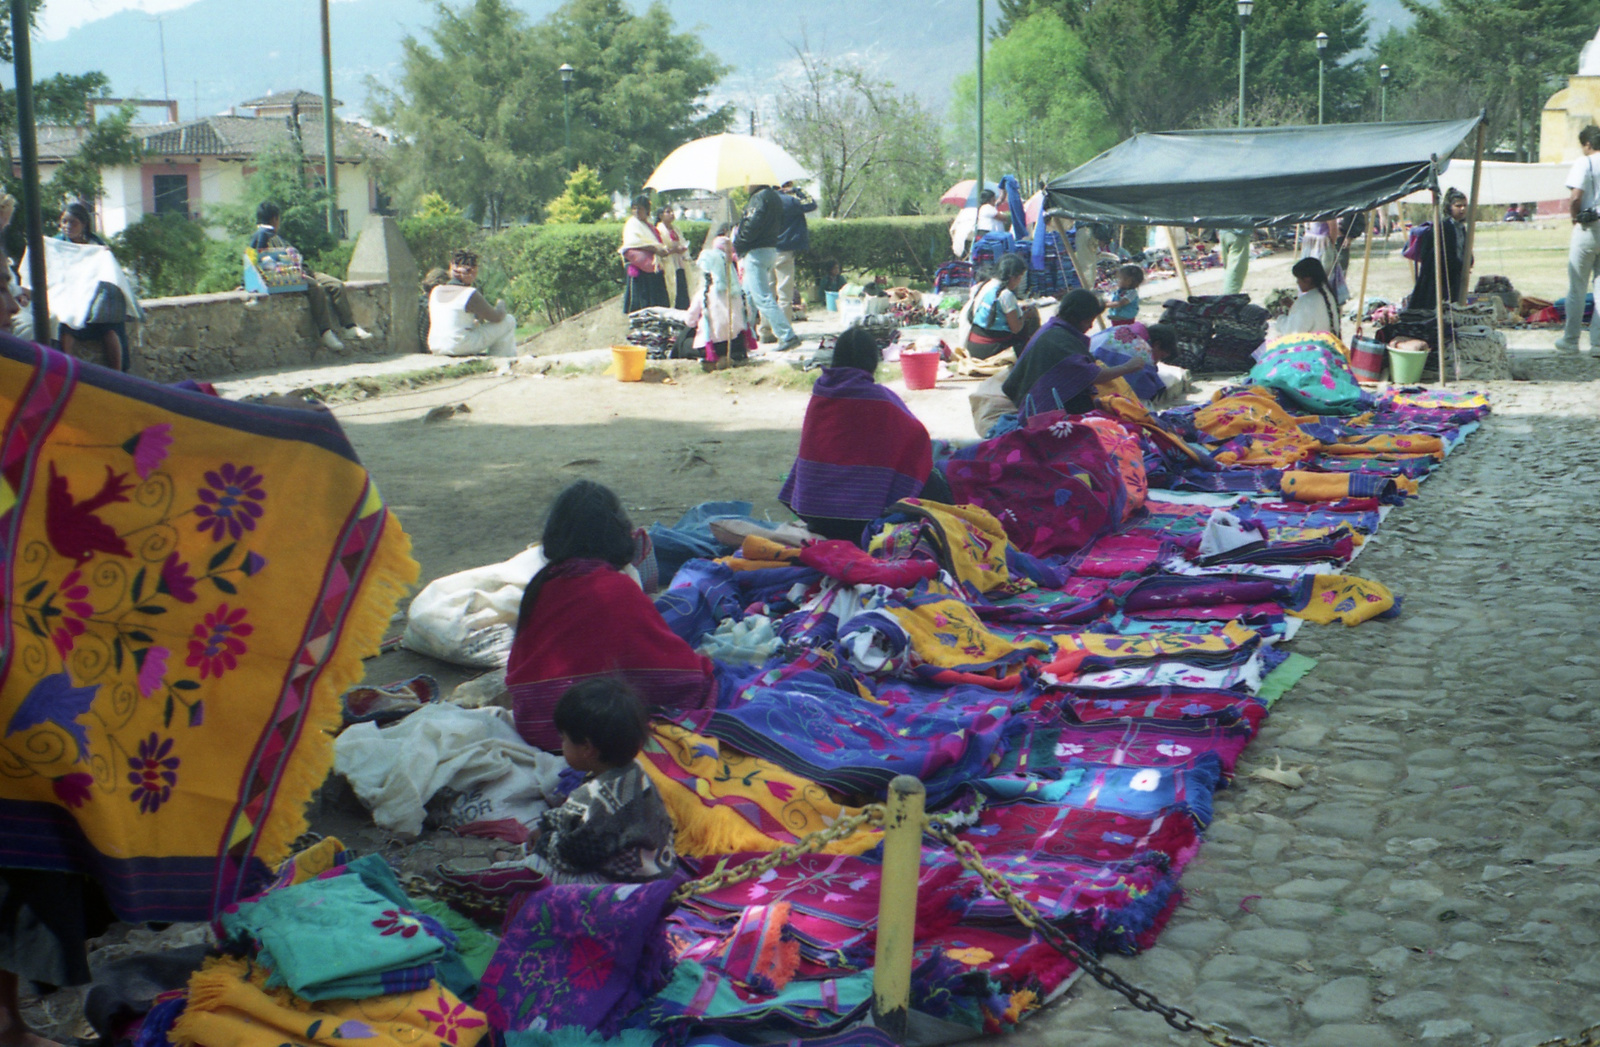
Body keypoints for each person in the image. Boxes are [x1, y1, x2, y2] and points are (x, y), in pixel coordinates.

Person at [506, 480, 715, 752]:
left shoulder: (542, 585)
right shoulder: (616, 589)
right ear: (616, 535)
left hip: (534, 725)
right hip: (587, 735)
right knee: (714, 678)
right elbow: (679, 675)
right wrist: (704, 668)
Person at [779, 327, 951, 543]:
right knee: (932, 470)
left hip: (815, 514)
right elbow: (918, 439)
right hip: (862, 521)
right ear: (873, 361)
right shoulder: (881, 399)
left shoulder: (821, 393)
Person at [524, 679, 679, 885]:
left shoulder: (604, 799)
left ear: (587, 748)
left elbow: (573, 856)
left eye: (564, 738)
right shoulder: (634, 772)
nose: (562, 744)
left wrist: (543, 843)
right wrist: (546, 825)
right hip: (657, 868)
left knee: (531, 866)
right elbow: (574, 816)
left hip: (622, 883)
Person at [1000, 290, 1151, 421]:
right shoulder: (1059, 340)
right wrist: (1127, 367)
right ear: (1074, 318)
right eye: (1088, 322)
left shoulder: (1054, 328)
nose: (1091, 327)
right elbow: (1092, 375)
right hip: (1041, 410)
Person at [251, 202, 372, 352]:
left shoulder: (275, 236)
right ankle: (325, 332)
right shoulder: (262, 234)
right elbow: (254, 258)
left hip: (304, 269)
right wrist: (247, 282)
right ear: (275, 219)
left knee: (336, 284)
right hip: (291, 274)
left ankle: (350, 326)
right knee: (316, 288)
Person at [54, 202, 131, 371]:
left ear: (84, 224)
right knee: (66, 328)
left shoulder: (95, 244)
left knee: (111, 329)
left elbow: (108, 275)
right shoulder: (57, 244)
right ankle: (66, 371)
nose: (67, 226)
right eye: (64, 221)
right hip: (70, 299)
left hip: (94, 301)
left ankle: (118, 376)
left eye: (72, 222)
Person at [733, 182, 800, 352]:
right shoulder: (774, 197)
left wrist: (738, 243)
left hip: (756, 251)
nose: (745, 185)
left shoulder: (759, 198)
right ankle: (744, 337)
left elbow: (752, 224)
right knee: (747, 295)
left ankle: (787, 335)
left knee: (762, 297)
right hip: (769, 248)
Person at [685, 224, 752, 370]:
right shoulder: (739, 292)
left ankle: (715, 359)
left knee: (684, 342)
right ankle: (733, 357)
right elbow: (749, 315)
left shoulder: (704, 292)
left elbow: (690, 321)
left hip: (716, 344)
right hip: (736, 344)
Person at [1557, 125, 1600, 354]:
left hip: (1589, 226)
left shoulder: (1585, 162)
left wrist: (1574, 218)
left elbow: (1575, 197)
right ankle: (1598, 343)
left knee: (1577, 288)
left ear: (1587, 144)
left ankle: (1571, 340)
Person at [427, 249, 516, 357]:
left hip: (435, 345)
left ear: (451, 267)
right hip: (458, 345)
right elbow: (496, 317)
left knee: (474, 325)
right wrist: (501, 304)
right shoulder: (469, 293)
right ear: (473, 271)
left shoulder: (435, 291)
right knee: (509, 320)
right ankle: (501, 358)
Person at [759, 181, 816, 341]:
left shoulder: (764, 202)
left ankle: (765, 331)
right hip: (784, 250)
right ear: (786, 185)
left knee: (767, 293)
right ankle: (784, 333)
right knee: (784, 294)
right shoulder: (790, 201)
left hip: (765, 250)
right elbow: (812, 204)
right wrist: (798, 190)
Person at [965, 254, 1039, 359]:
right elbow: (1016, 329)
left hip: (973, 345)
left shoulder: (985, 285)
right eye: (1020, 278)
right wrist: (1025, 316)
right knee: (1031, 322)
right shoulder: (1006, 294)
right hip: (989, 348)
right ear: (1013, 277)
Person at [1407, 188, 1468, 313]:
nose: (1462, 209)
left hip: (1454, 273)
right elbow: (1441, 253)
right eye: (1458, 206)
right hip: (1440, 275)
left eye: (1464, 206)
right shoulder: (1444, 226)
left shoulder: (1460, 227)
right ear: (1449, 207)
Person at [620, 194, 669, 314]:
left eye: (640, 208)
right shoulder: (632, 224)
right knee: (642, 302)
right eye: (634, 208)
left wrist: (659, 249)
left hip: (653, 269)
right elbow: (633, 243)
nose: (636, 211)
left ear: (647, 210)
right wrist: (654, 249)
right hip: (640, 270)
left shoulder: (648, 226)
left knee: (656, 301)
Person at [1278, 256, 1341, 338]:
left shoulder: (1306, 302)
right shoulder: (1327, 294)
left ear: (1307, 279)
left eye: (1298, 279)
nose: (1297, 282)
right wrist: (1294, 307)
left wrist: (1280, 317)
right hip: (1329, 346)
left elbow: (1291, 333)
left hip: (1314, 348)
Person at [656, 206, 691, 310]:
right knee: (672, 290)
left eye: (672, 211)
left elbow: (682, 241)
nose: (672, 214)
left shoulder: (676, 229)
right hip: (668, 264)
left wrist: (683, 248)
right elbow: (660, 249)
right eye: (668, 212)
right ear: (661, 216)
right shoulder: (659, 231)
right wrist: (674, 250)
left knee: (682, 290)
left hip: (680, 263)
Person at [1218, 228, 1252, 295]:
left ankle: (1227, 297)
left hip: (1223, 230)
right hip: (1238, 232)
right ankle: (1228, 299)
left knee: (1228, 268)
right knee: (1236, 270)